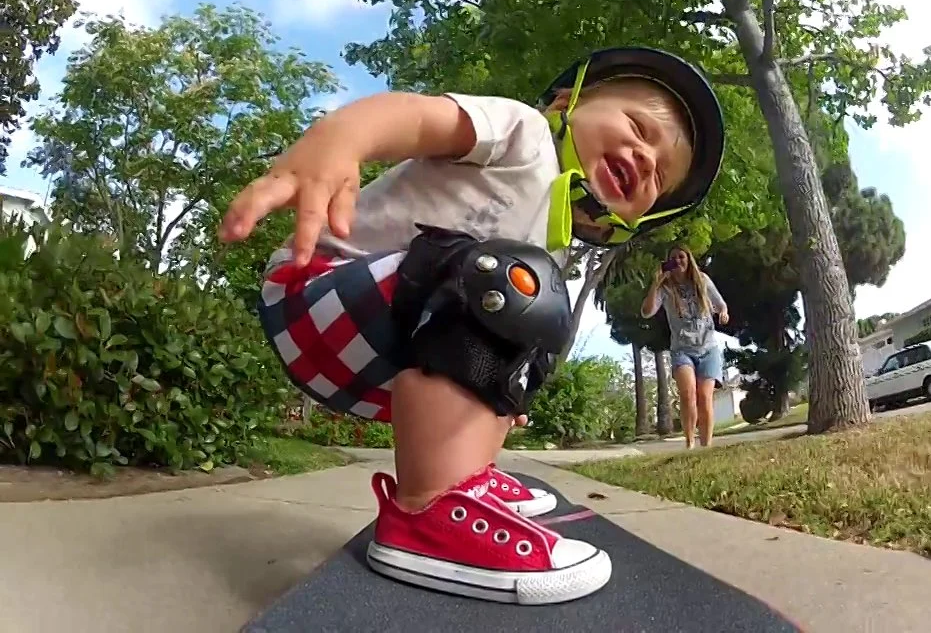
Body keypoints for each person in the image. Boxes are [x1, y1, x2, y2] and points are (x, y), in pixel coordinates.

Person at [218, 47, 725, 605]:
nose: (646, 157)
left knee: (533, 323)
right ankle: (425, 515)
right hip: (316, 291)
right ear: (565, 102)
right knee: (508, 284)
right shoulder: (524, 132)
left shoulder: (552, 247)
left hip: (375, 354)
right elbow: (413, 117)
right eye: (637, 127)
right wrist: (339, 140)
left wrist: (499, 387)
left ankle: (463, 481)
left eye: (660, 175)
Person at [641, 245, 729, 449]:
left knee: (705, 397)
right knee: (688, 393)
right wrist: (656, 282)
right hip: (682, 350)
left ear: (689, 260)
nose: (678, 261)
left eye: (682, 257)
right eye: (673, 258)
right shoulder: (665, 289)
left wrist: (723, 312)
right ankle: (689, 443)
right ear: (668, 263)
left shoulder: (702, 281)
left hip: (708, 348)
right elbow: (646, 312)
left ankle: (706, 446)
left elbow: (720, 304)